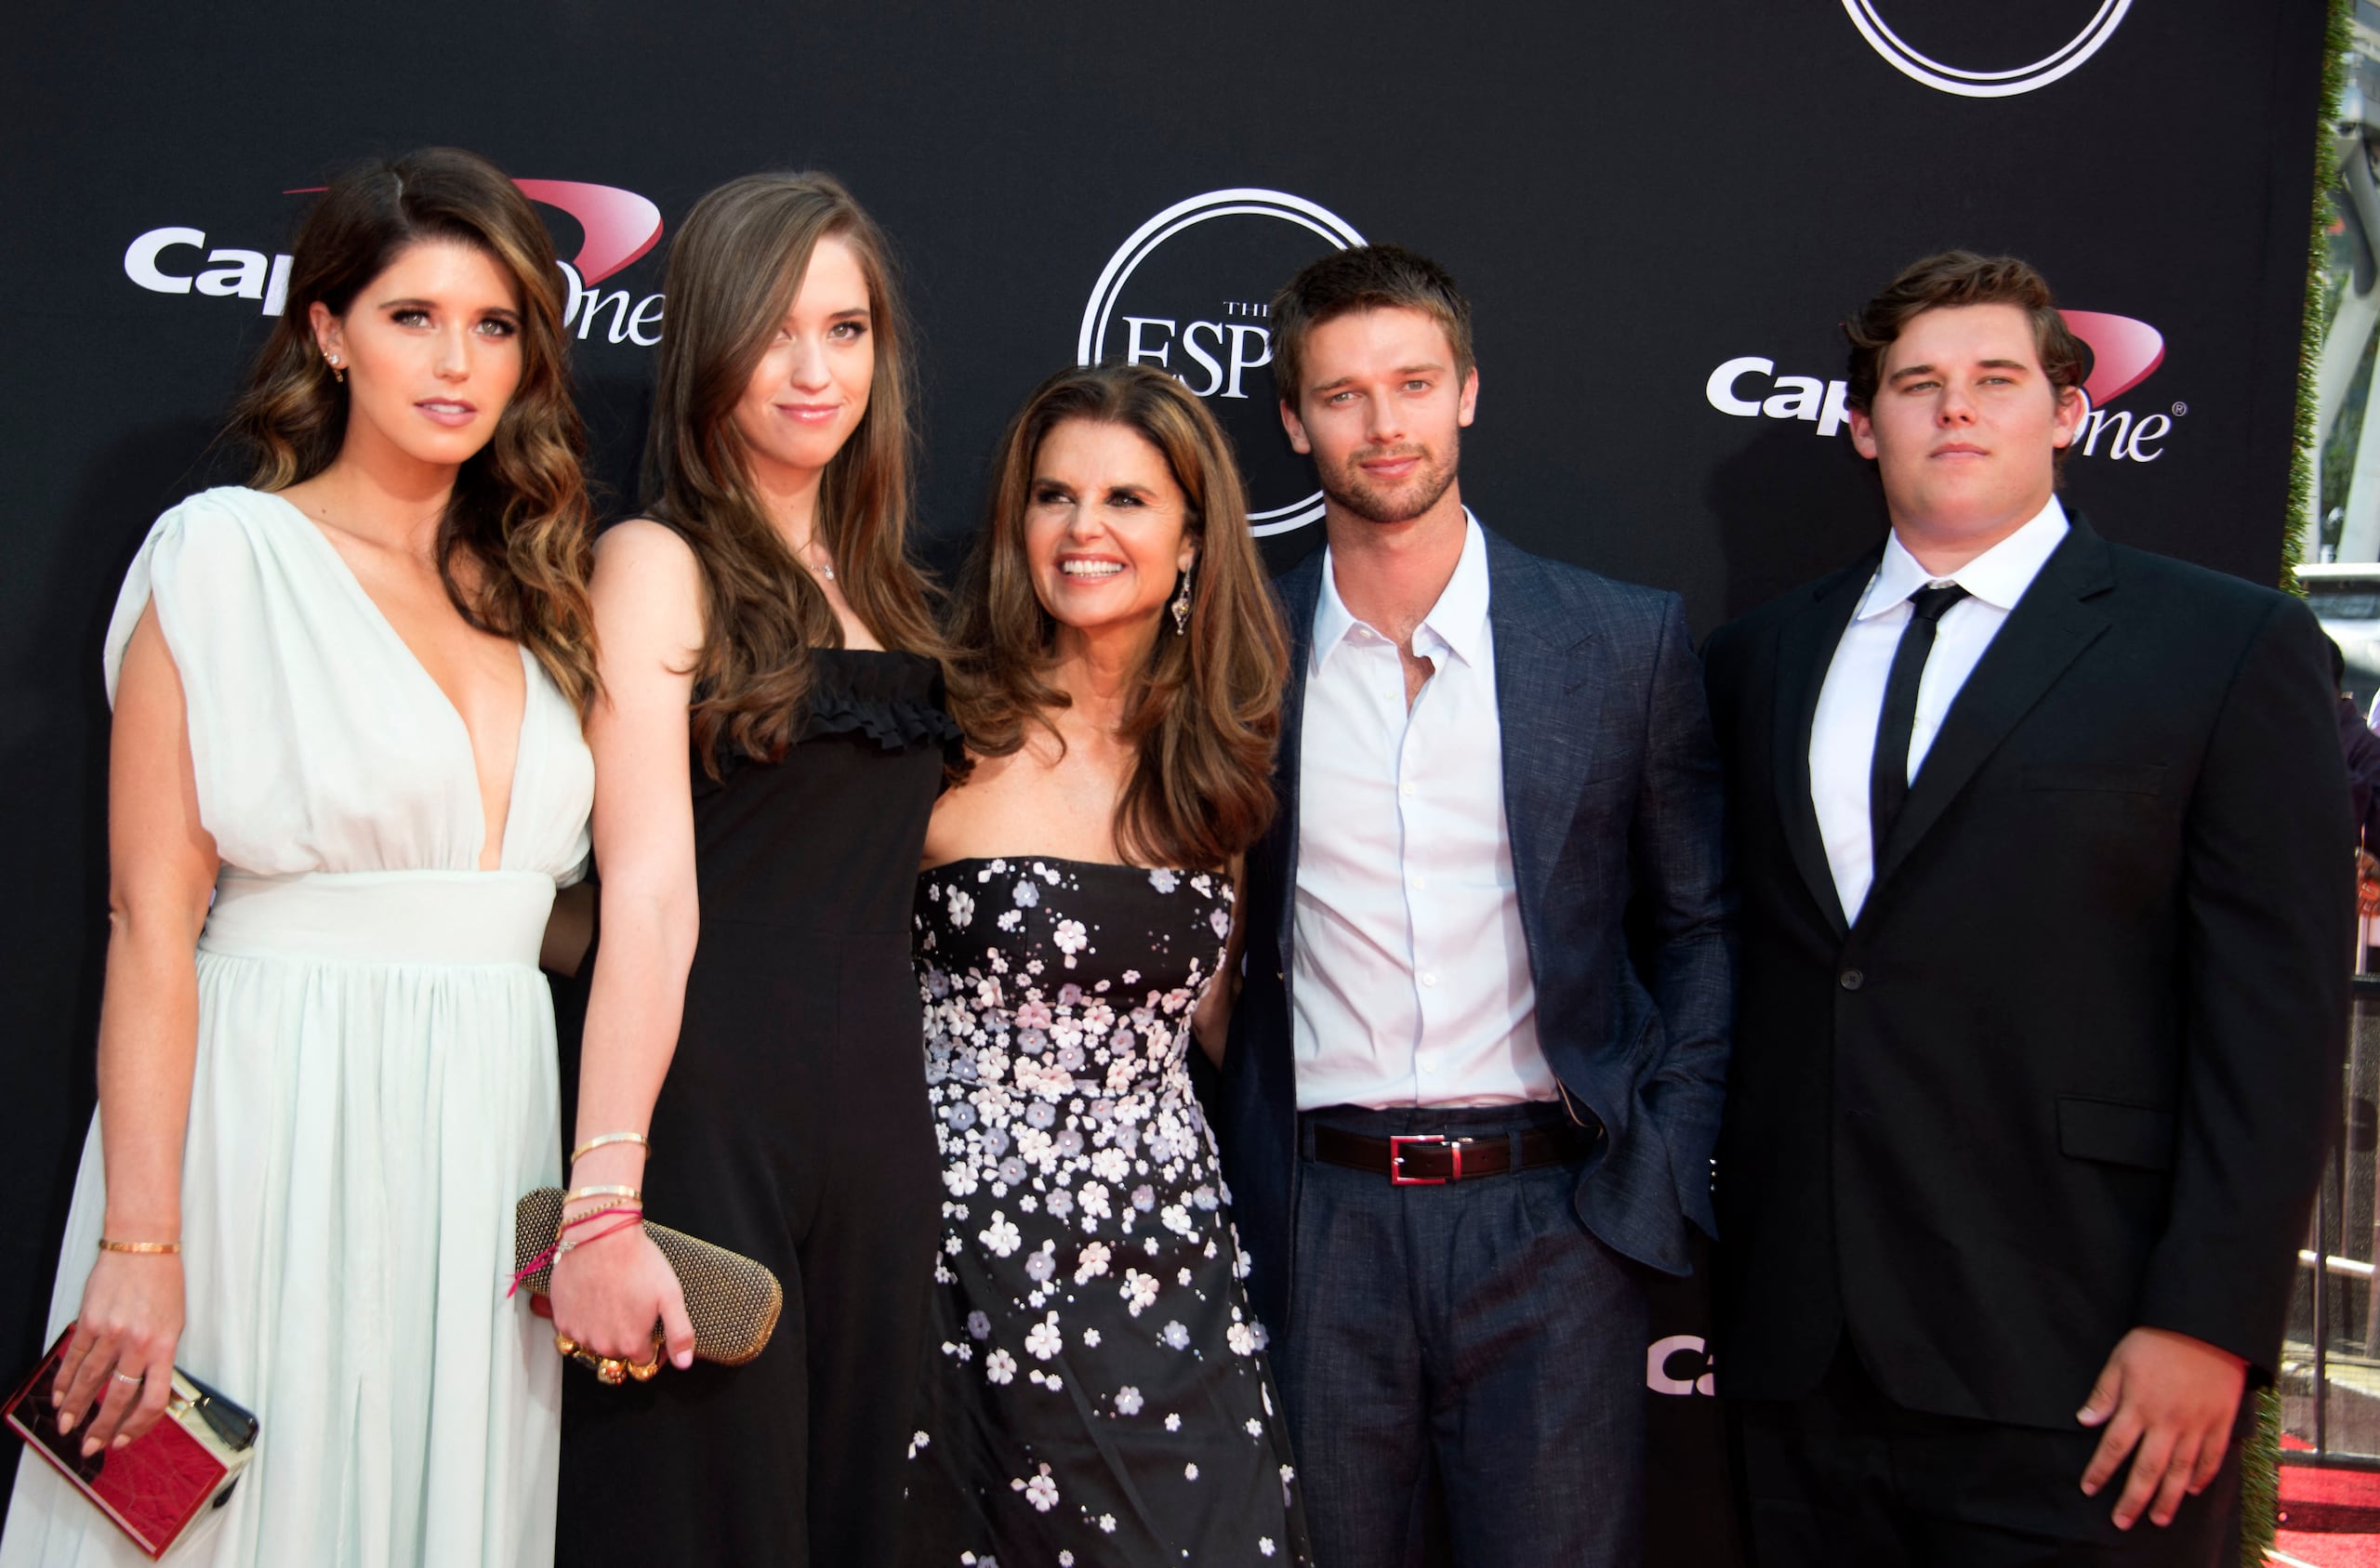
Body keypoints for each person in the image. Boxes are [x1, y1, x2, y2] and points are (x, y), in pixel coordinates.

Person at [1701, 250, 2351, 1565]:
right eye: (1917, 383)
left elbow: (2276, 1026)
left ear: (2067, 412)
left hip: (2086, 1358)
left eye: (1996, 379)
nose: (1955, 410)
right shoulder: (1759, 655)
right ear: (1860, 420)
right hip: (1803, 1367)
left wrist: (2211, 1320)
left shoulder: (2224, 646)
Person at [0, 148, 598, 1567]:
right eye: (412, 316)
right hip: (268, 1120)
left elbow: (533, 911)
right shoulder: (223, 557)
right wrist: (139, 1250)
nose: (457, 360)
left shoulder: (538, 592)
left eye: (496, 323)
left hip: (487, 1127)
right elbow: (153, 921)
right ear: (328, 332)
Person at [1213, 244, 1733, 1566]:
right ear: (1291, 421)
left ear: (1469, 394)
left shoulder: (1620, 642)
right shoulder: (1230, 665)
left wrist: (1655, 1182)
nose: (1383, 424)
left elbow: (1697, 929)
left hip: (1557, 1223)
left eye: (1413, 383)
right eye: (1341, 395)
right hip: (1319, 1226)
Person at [547, 171, 957, 1568]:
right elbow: (647, 900)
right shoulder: (656, 560)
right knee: (695, 1519)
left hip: (882, 1140)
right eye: (774, 329)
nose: (812, 369)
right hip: (714, 1116)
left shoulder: (895, 587)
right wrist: (606, 1198)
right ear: (707, 340)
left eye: (844, 331)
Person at [906, 363, 1310, 1564]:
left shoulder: (1218, 758)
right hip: (954, 1270)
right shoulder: (932, 732)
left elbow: (1228, 1021)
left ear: (1191, 538)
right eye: (1054, 497)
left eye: (1127, 500)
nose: (1085, 530)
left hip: (1170, 1267)